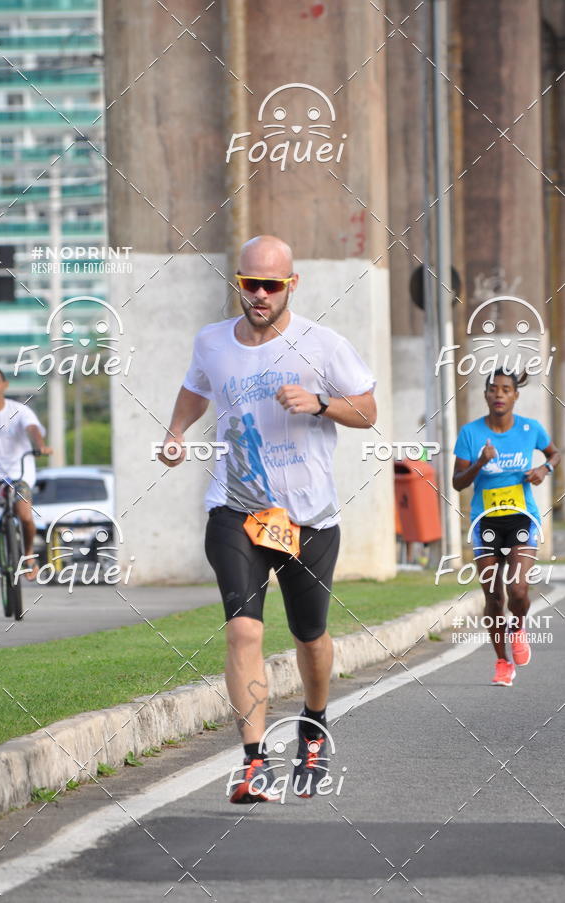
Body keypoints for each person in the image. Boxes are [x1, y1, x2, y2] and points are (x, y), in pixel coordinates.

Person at [159, 234, 376, 802]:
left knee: (310, 636)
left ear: (291, 285)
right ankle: (255, 761)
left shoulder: (323, 345)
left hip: (308, 516)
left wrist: (320, 403)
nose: (259, 294)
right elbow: (195, 389)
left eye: (270, 285)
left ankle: (314, 723)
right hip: (236, 508)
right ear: (238, 282)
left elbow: (368, 410)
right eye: (249, 283)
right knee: (243, 629)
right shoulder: (211, 341)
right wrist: (176, 431)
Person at [452, 369, 560, 687]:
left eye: (505, 389)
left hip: (520, 518)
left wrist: (544, 468)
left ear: (515, 395)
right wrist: (480, 462)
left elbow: (554, 453)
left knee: (518, 589)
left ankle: (519, 627)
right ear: (486, 395)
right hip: (484, 522)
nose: (499, 394)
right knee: (494, 597)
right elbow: (458, 482)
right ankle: (502, 662)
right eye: (493, 389)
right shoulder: (470, 433)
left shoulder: (530, 429)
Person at [0, 367, 51, 579]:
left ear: (4, 385)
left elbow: (32, 428)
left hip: (19, 475)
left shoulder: (19, 410)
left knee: (25, 516)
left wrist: (40, 445)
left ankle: (28, 556)